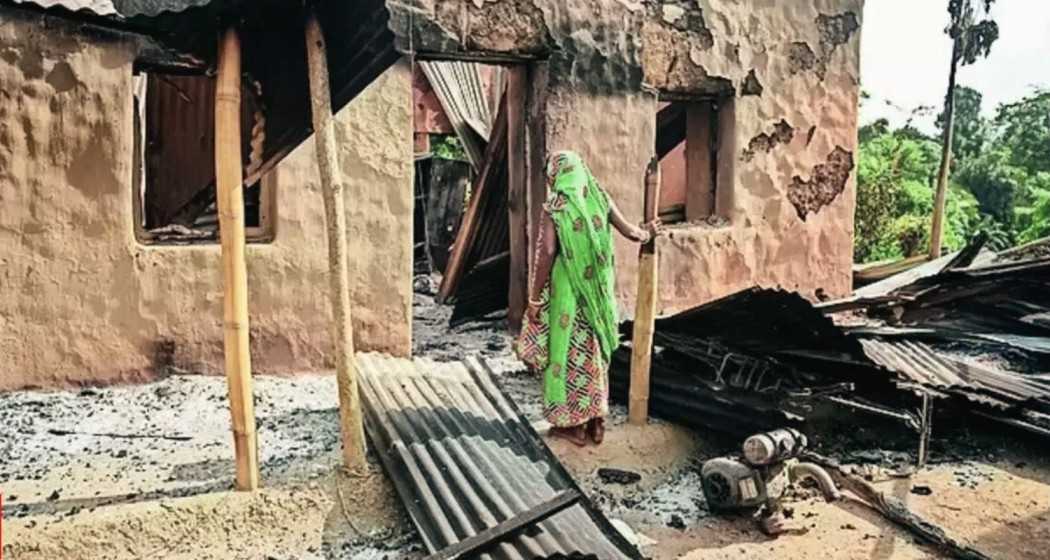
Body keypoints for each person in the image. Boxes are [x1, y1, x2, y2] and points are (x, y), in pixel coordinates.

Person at [515, 150, 661, 446]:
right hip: (598, 297)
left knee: (564, 354)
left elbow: (546, 253)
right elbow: (633, 233)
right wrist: (649, 232)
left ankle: (573, 427)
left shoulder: (556, 206)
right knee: (593, 354)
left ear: (555, 175)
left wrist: (534, 296)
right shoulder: (600, 198)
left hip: (566, 294)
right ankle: (596, 422)